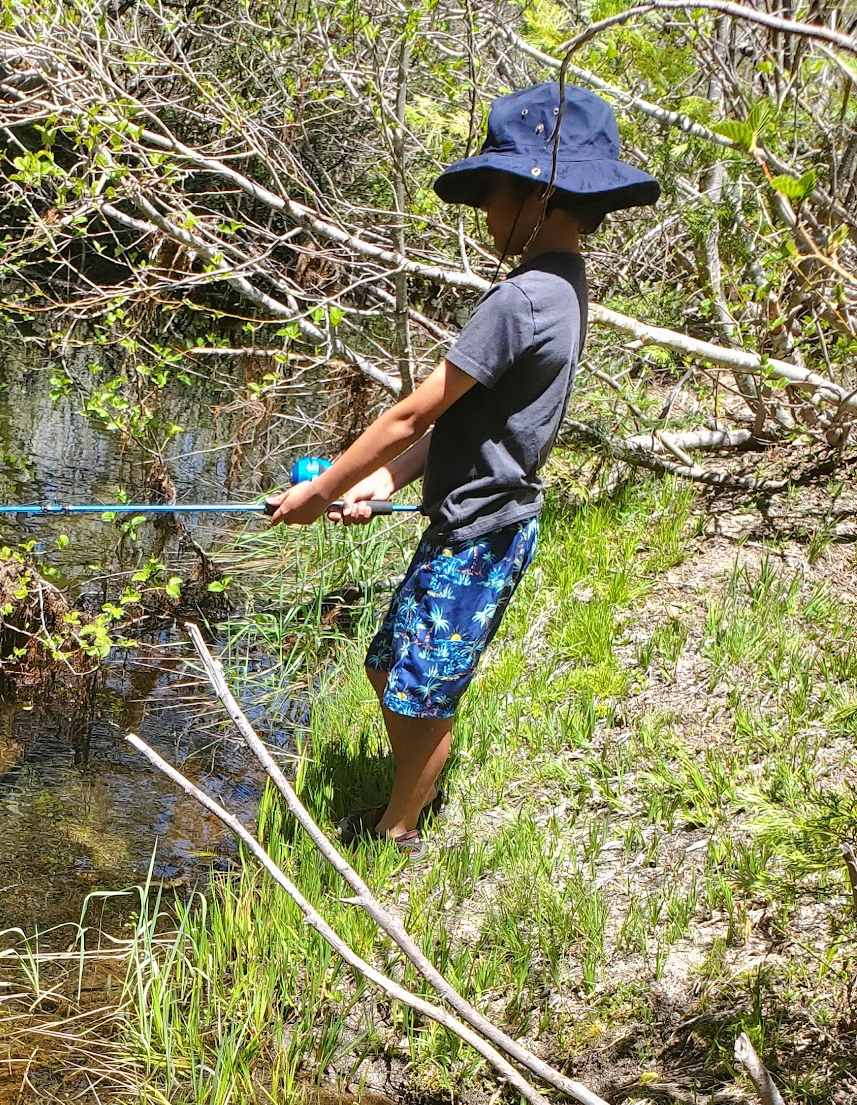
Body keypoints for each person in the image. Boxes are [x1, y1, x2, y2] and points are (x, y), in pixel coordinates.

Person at [267, 83, 659, 854]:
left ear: (541, 195)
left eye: (493, 193)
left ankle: (398, 832)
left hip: (480, 532)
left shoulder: (521, 299)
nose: (484, 213)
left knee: (420, 692)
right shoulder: (563, 286)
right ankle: (414, 794)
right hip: (474, 520)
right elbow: (464, 422)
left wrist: (321, 490)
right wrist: (388, 480)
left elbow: (412, 411)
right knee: (391, 667)